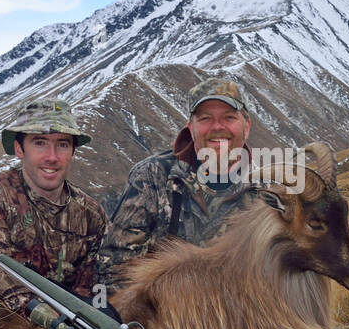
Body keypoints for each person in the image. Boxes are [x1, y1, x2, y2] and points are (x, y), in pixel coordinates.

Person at [96, 78, 260, 292]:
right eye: (205, 118)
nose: (217, 127)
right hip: (164, 315)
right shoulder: (152, 177)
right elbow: (114, 270)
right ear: (191, 128)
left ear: (246, 126)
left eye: (229, 117)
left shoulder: (269, 190)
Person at [0, 99, 106, 324]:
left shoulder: (91, 214)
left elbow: (89, 287)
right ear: (19, 149)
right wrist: (43, 314)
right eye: (40, 143)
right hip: (0, 318)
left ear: (73, 152)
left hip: (66, 323)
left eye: (62, 144)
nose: (52, 157)